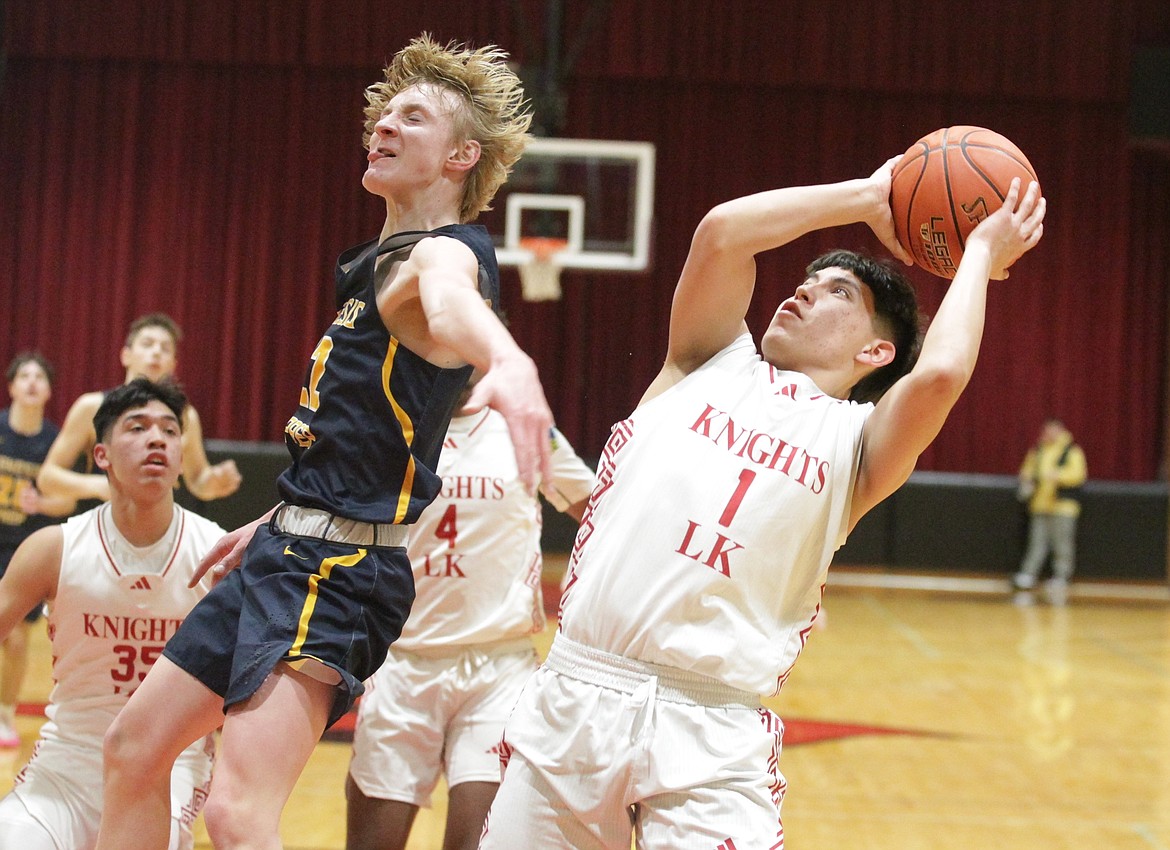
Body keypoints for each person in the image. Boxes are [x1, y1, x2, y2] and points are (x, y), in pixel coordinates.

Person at [478, 163, 1046, 849]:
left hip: (713, 728)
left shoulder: (858, 446)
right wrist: (869, 198)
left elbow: (942, 374)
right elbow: (722, 234)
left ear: (876, 349)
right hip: (578, 693)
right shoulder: (704, 363)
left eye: (838, 290)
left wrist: (979, 252)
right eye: (806, 280)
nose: (804, 291)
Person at [96, 34, 552, 850]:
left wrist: (507, 359)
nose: (383, 122)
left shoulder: (443, 257)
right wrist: (282, 516)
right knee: (133, 750)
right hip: (291, 546)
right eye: (382, 110)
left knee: (237, 815)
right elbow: (357, 430)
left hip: (336, 574)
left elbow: (450, 301)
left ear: (460, 157)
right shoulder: (378, 266)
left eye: (412, 116)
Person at [345, 396, 594, 850]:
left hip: (497, 669)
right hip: (402, 663)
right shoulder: (389, 427)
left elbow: (598, 508)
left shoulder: (527, 427)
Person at [0, 378, 225, 850]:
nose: (157, 439)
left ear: (182, 457)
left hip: (168, 764)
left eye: (169, 430)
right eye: (138, 428)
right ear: (101, 455)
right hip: (68, 762)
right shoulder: (53, 549)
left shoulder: (216, 554)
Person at [36, 312, 242, 505]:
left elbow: (198, 479)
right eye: (147, 344)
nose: (156, 352)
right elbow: (48, 477)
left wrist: (215, 481)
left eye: (165, 348)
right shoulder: (92, 406)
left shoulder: (185, 415)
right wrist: (101, 486)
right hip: (102, 526)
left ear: (173, 363)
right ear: (126, 355)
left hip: (159, 531)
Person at [0, 353, 75, 749]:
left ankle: (5, 714)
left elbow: (65, 502)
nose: (31, 382)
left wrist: (41, 504)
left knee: (14, 637)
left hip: (24, 548)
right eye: (23, 375)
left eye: (39, 377)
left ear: (47, 390)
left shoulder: (54, 441)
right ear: (11, 386)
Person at [1012, 418, 1086, 603]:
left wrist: (1058, 476)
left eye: (1054, 431)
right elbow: (1027, 470)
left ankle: (1062, 577)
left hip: (1063, 507)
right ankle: (1028, 574)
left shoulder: (1072, 451)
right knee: (1037, 542)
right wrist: (1028, 478)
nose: (1049, 434)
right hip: (1040, 504)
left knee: (1062, 543)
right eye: (1047, 431)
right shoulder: (1038, 451)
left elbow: (1078, 475)